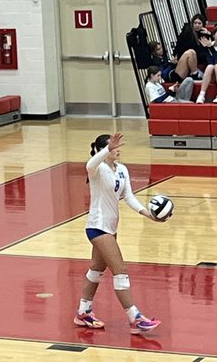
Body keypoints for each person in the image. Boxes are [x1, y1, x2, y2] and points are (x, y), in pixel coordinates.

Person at [75, 133, 163, 334]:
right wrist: (106, 150)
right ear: (104, 150)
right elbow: (89, 165)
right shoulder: (97, 169)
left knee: (96, 271)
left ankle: (83, 311)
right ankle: (135, 318)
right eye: (114, 147)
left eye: (117, 146)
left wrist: (147, 214)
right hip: (97, 227)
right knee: (120, 270)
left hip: (111, 228)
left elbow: (129, 196)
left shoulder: (122, 170)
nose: (118, 149)